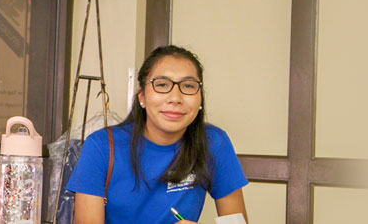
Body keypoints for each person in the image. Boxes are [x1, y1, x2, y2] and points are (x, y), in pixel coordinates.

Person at [68, 45, 249, 224]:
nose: (176, 98)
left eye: (188, 85)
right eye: (162, 85)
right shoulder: (101, 146)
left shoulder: (213, 142)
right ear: (142, 97)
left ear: (200, 97)